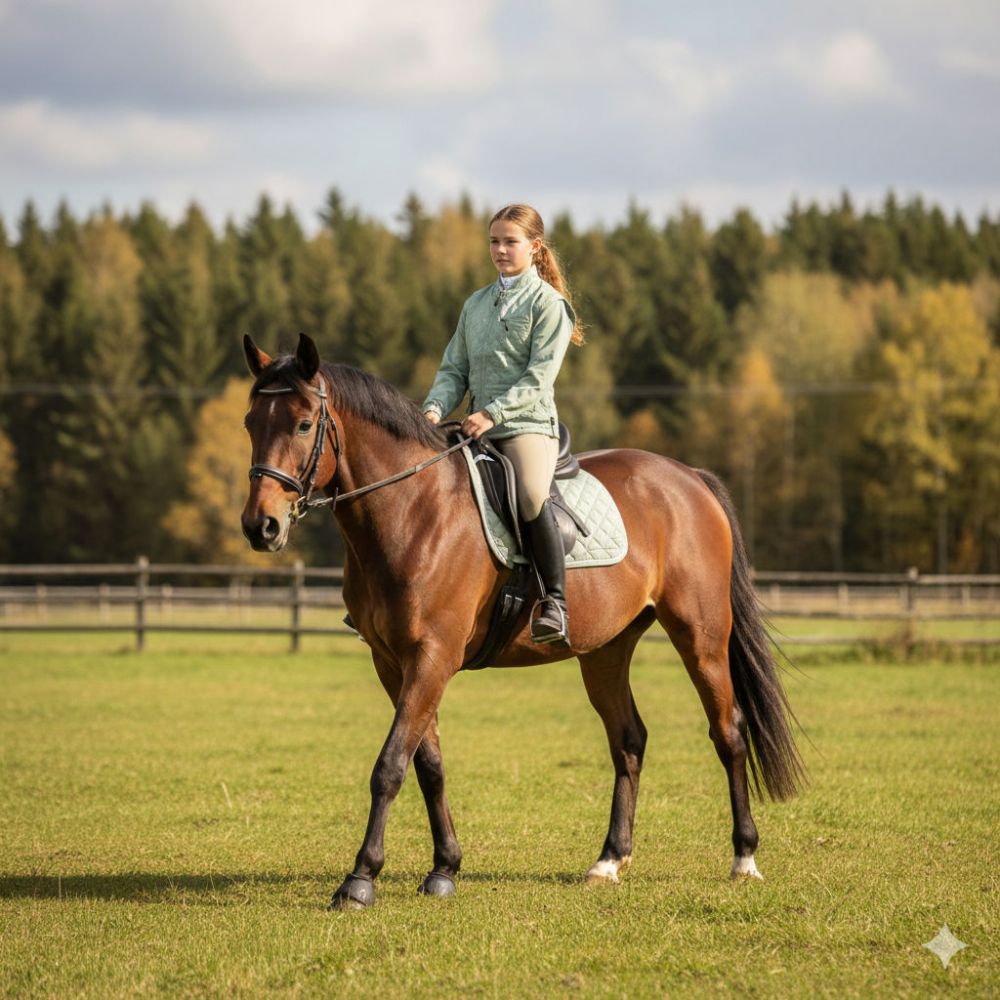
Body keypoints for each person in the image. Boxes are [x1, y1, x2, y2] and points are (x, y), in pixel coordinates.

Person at [423, 203, 583, 644]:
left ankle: (554, 602)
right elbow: (454, 368)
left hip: (527, 426)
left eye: (510, 241)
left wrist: (493, 412)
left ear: (534, 247)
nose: (499, 249)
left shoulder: (550, 305)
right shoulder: (475, 304)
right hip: (474, 426)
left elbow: (539, 377)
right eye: (494, 241)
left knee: (531, 495)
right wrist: (434, 409)